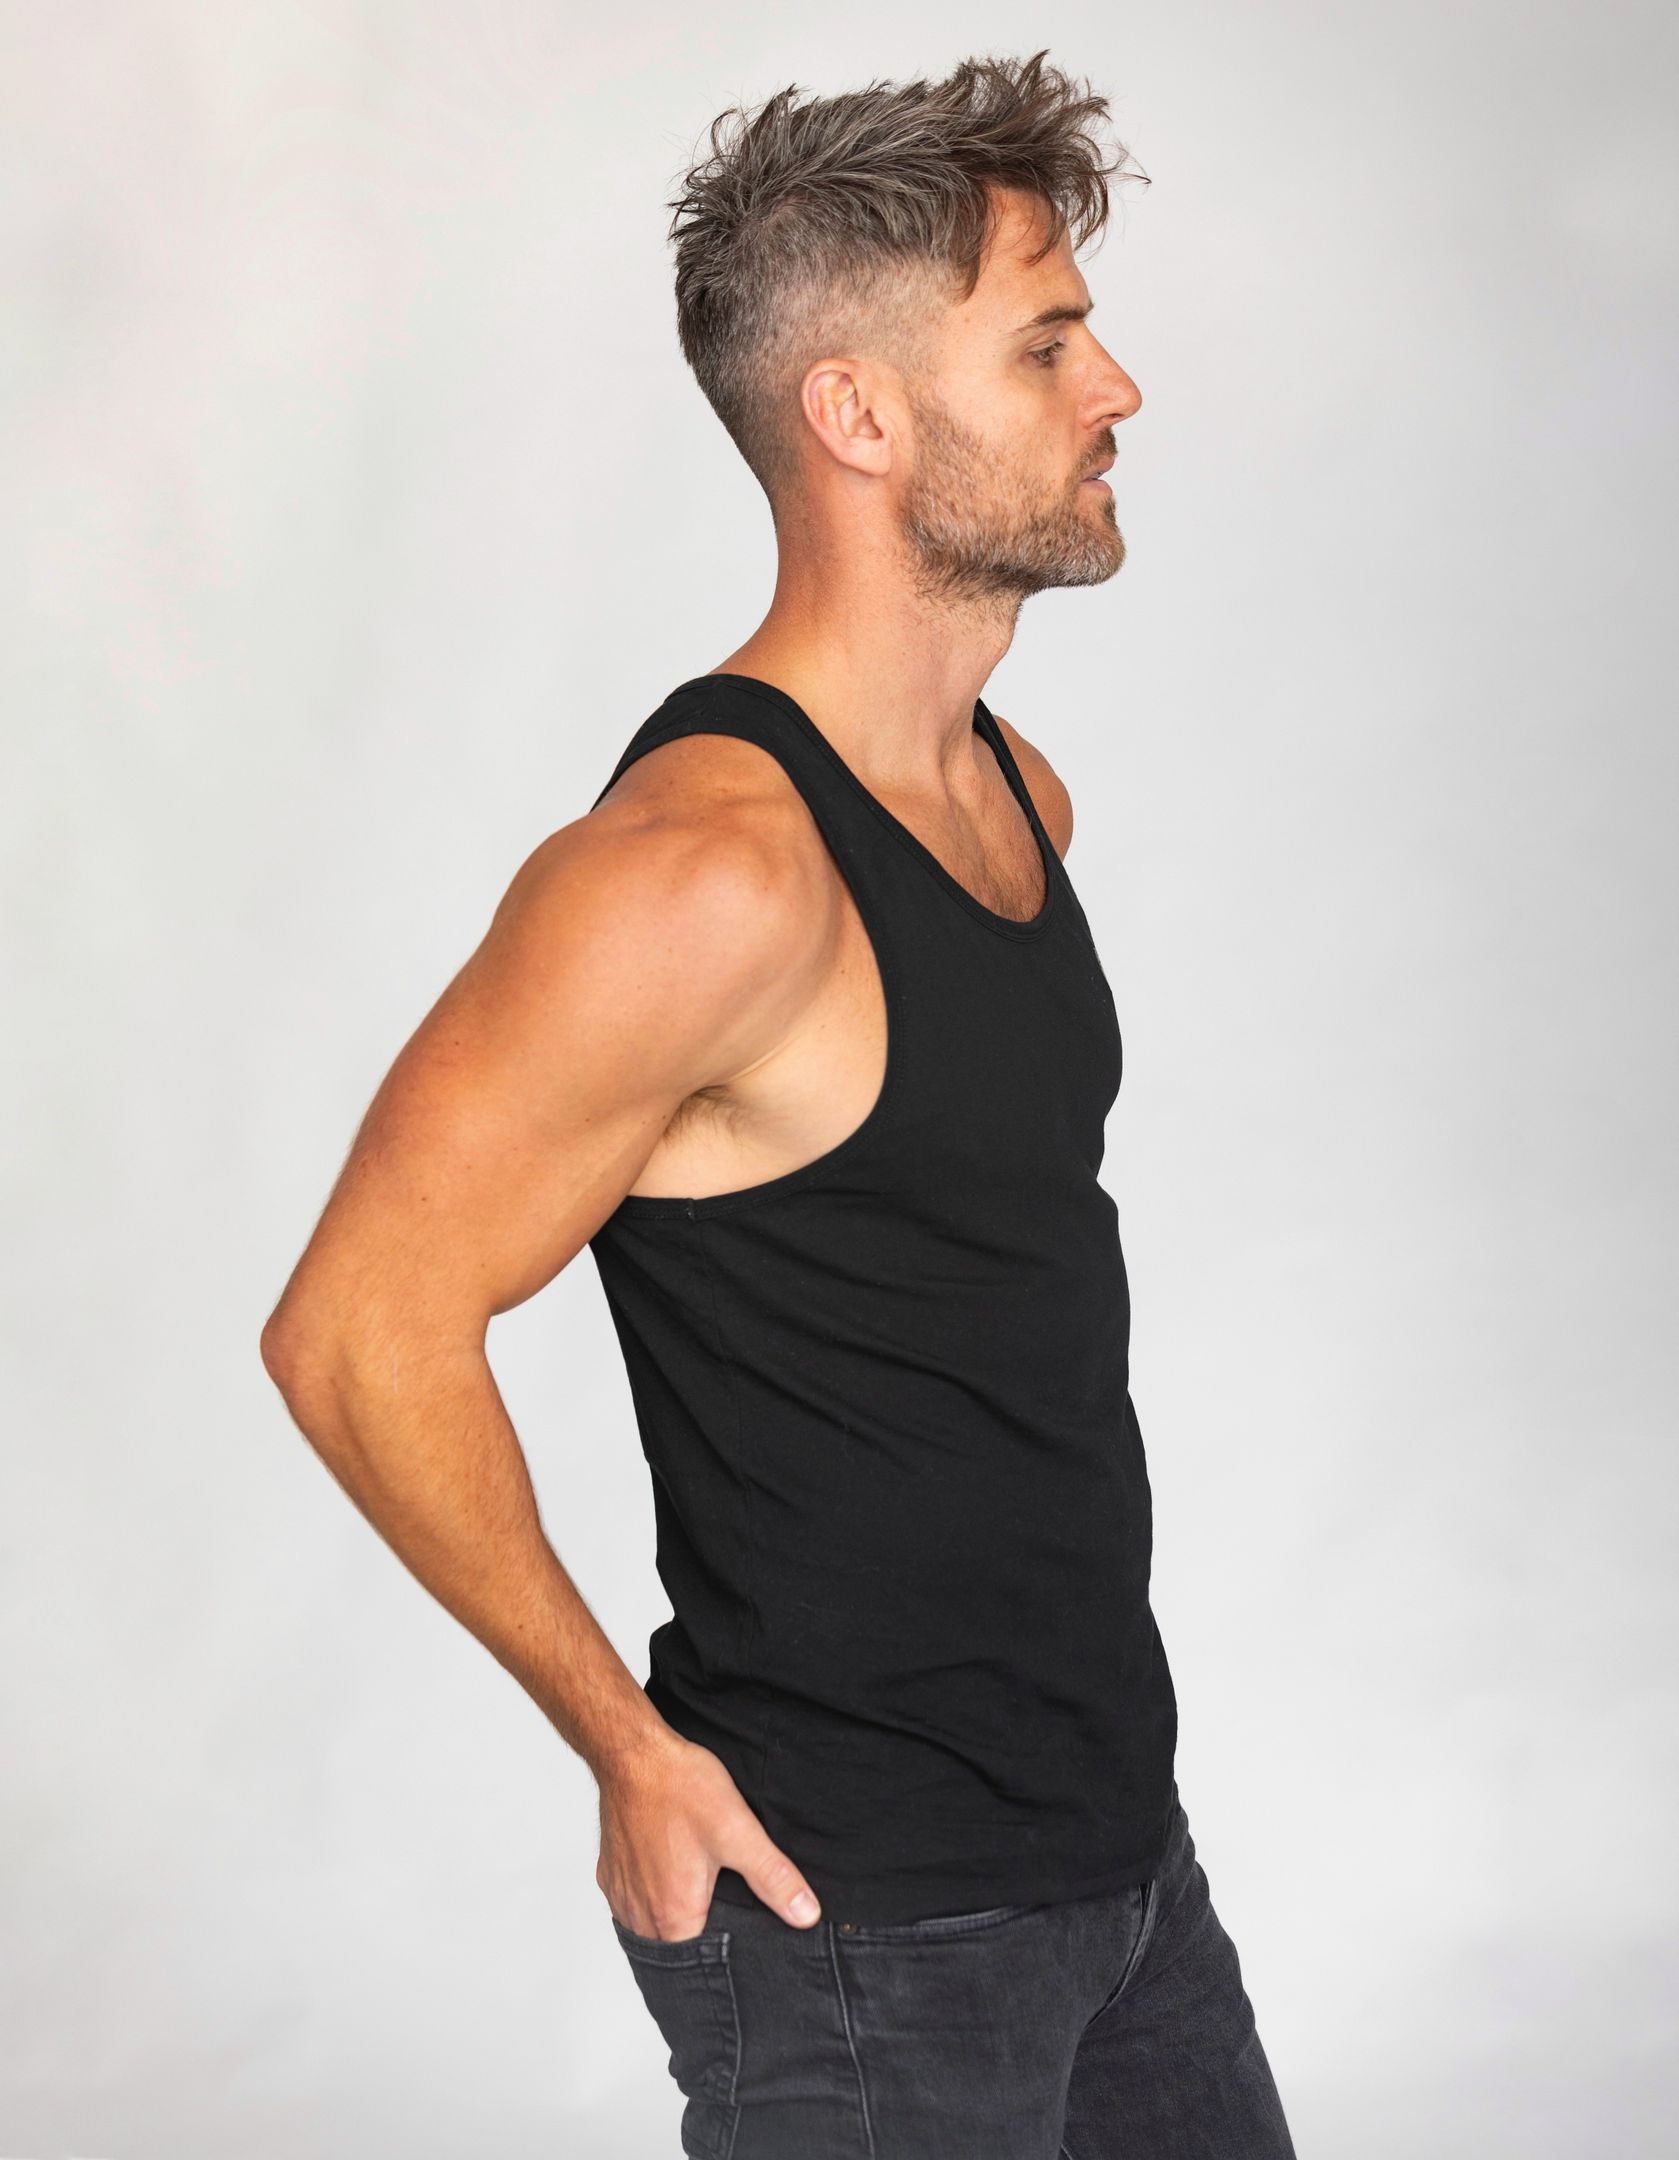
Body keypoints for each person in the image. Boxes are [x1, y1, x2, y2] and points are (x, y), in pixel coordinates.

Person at [261, 47, 1298, 2160]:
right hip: (859, 1930)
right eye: (1048, 344)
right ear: (858, 414)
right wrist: (624, 1748)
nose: (1114, 391)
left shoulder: (1014, 796)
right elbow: (357, 1331)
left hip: (1122, 1875)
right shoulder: (703, 876)